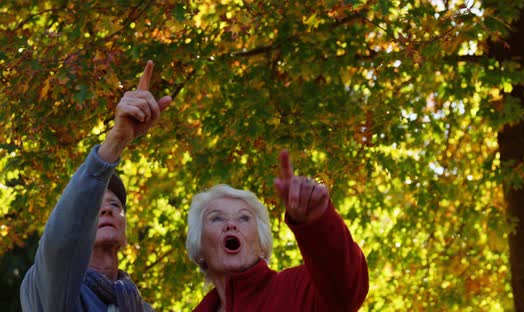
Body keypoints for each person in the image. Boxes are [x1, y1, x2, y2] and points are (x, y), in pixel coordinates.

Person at [20, 60, 173, 312]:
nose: (107, 210)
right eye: (94, 207)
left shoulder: (141, 308)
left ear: (125, 232)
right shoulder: (45, 290)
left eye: (115, 204)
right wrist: (117, 140)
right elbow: (62, 242)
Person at [186, 150, 369, 311]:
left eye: (244, 218)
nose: (231, 224)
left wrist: (318, 222)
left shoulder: (296, 289)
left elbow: (346, 289)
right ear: (199, 247)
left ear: (262, 246)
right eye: (217, 218)